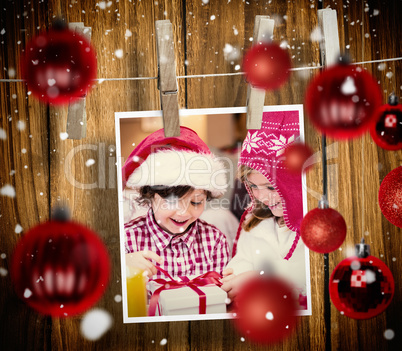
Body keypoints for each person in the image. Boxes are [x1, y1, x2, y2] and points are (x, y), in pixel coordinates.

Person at [221, 110, 308, 309]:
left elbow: (311, 275)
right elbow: (242, 261)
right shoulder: (255, 221)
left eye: (271, 187)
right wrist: (233, 279)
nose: (261, 197)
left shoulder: (317, 227)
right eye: (253, 187)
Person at [122, 126, 230, 281]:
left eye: (196, 202)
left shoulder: (215, 241)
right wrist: (121, 265)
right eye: (172, 202)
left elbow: (220, 300)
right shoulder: (127, 240)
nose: (183, 213)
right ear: (150, 195)